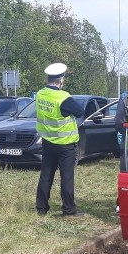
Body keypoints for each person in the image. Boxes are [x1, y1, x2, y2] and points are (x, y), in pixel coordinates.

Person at [35, 62, 87, 216]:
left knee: (46, 175)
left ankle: (41, 208)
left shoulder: (40, 94)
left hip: (47, 141)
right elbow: (79, 111)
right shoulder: (63, 97)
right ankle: (69, 209)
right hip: (65, 144)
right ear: (60, 81)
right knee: (66, 177)